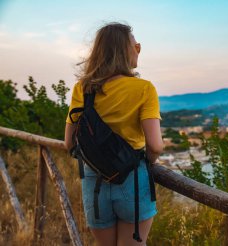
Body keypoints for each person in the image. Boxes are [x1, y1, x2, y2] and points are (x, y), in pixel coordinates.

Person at [64, 22, 164, 246]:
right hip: (132, 179)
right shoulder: (144, 89)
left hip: (94, 181)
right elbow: (155, 146)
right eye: (135, 46)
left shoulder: (83, 88)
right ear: (124, 50)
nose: (138, 50)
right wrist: (149, 162)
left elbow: (69, 142)